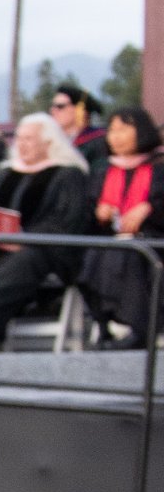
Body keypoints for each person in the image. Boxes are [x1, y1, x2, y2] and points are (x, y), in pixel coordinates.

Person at [0, 111, 94, 351]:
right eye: (19, 138)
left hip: (42, 251)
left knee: (24, 260)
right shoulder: (4, 174)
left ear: (49, 142)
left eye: (29, 139)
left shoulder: (67, 175)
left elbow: (68, 220)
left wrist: (26, 239)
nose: (21, 145)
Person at [78, 105, 164, 346]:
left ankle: (137, 327)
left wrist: (151, 209)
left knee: (131, 253)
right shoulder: (104, 170)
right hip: (113, 241)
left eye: (123, 129)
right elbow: (86, 217)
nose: (114, 136)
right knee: (90, 256)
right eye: (111, 130)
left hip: (154, 240)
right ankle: (106, 324)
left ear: (143, 131)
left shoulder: (160, 167)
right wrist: (99, 214)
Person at [51, 83, 106, 168]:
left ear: (80, 110)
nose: (53, 111)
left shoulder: (100, 142)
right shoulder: (53, 144)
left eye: (60, 106)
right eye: (53, 106)